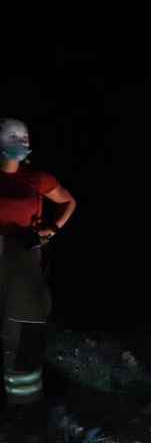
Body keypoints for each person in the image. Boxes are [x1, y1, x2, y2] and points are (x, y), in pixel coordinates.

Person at [0, 118, 76, 433]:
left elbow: (69, 202)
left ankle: (25, 410)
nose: (20, 140)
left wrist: (51, 230)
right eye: (12, 136)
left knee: (24, 333)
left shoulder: (36, 179)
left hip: (24, 261)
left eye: (24, 136)